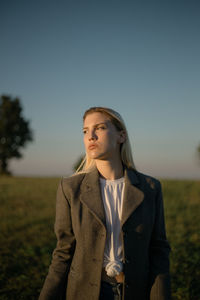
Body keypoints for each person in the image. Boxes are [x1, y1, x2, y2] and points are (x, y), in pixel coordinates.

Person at [39, 107, 171, 300]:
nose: (90, 136)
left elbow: (158, 250)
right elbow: (63, 252)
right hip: (85, 292)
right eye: (85, 131)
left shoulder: (150, 188)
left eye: (99, 128)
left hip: (135, 291)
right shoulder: (70, 188)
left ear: (121, 136)